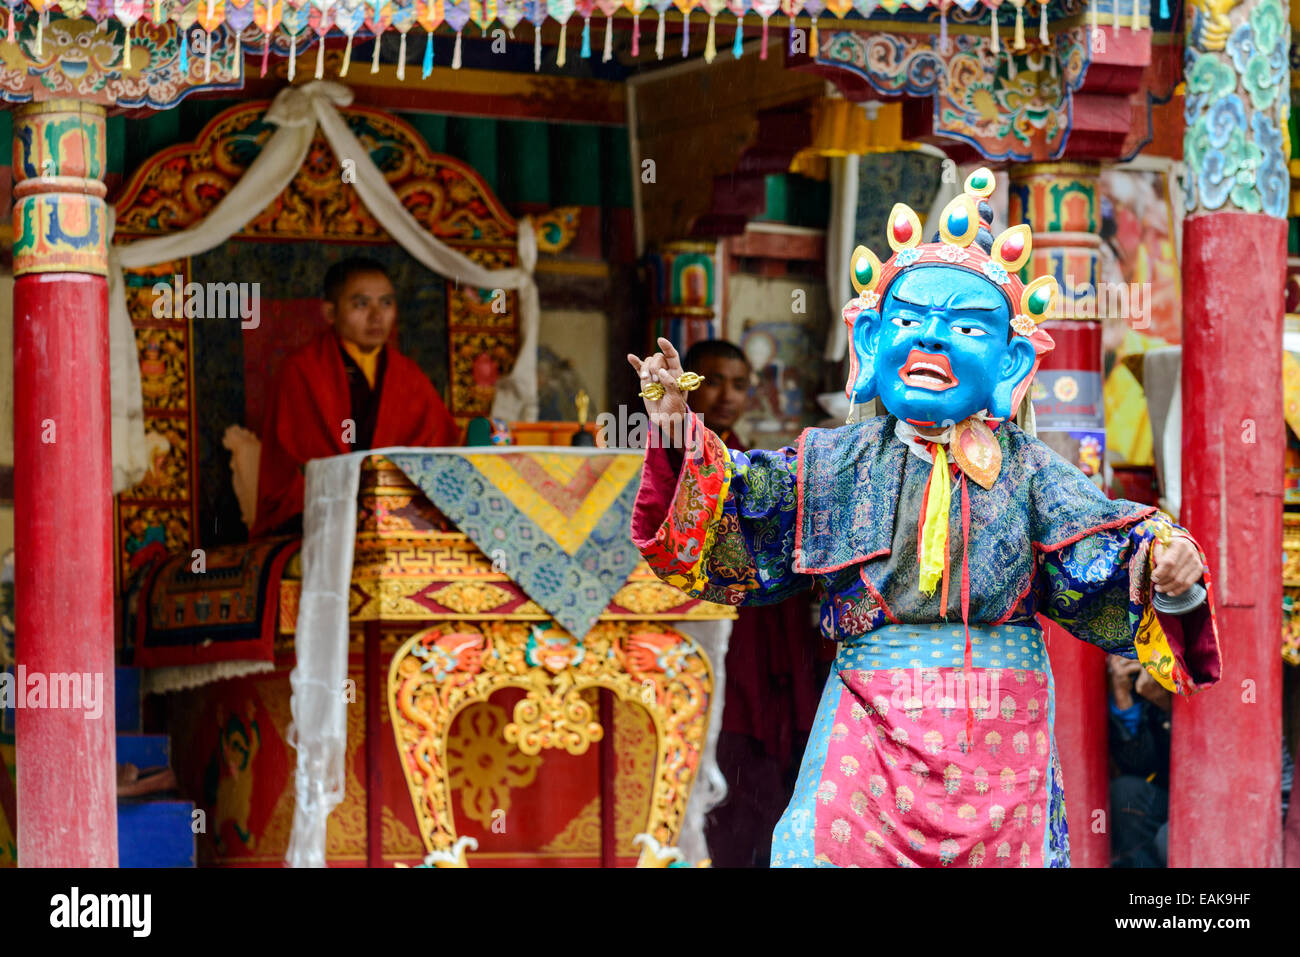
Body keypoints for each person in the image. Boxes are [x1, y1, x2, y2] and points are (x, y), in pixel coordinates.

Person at [627, 168, 1221, 868]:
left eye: (966, 326)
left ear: (1011, 362)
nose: (932, 339)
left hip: (1003, 739)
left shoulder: (1029, 468)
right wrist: (676, 435)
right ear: (873, 344)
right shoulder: (831, 461)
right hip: (869, 729)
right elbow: (740, 502)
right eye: (910, 322)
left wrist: (1171, 567)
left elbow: (1110, 544)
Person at [679, 339, 834, 867]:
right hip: (706, 642)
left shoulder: (750, 464)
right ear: (685, 387)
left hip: (762, 642)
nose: (727, 395)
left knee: (758, 784)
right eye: (712, 381)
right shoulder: (672, 460)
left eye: (739, 384)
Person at [252, 257, 460, 537]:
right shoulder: (302, 371)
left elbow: (440, 448)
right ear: (330, 312)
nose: (377, 316)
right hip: (319, 512)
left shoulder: (408, 375)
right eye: (361, 304)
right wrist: (355, 500)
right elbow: (295, 466)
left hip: (398, 512)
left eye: (386, 303)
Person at [1106, 653, 1171, 867]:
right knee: (1126, 794)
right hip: (1160, 795)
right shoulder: (1132, 677)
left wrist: (1166, 703)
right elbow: (1139, 763)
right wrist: (1123, 697)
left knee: (1166, 839)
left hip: (1208, 795)